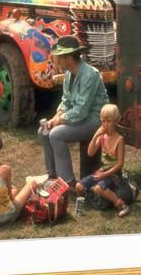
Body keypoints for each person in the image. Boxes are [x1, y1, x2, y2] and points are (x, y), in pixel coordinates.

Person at [38, 36, 109, 187]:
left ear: (68, 58)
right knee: (43, 131)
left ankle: (68, 183)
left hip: (94, 121)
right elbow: (66, 101)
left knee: (56, 134)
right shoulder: (69, 74)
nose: (57, 61)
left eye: (59, 58)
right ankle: (52, 176)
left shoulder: (90, 74)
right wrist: (55, 118)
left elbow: (81, 111)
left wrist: (59, 120)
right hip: (79, 118)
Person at [75, 104, 130, 217]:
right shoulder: (102, 137)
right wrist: (96, 135)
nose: (105, 124)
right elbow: (90, 152)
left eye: (108, 121)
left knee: (98, 188)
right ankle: (86, 203)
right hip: (101, 173)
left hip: (114, 176)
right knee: (78, 186)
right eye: (103, 121)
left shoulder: (119, 140)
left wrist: (104, 174)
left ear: (116, 121)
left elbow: (120, 164)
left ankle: (121, 204)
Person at [0, 130, 38, 225]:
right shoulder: (4, 169)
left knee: (15, 190)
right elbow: (11, 198)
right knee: (31, 184)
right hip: (5, 217)